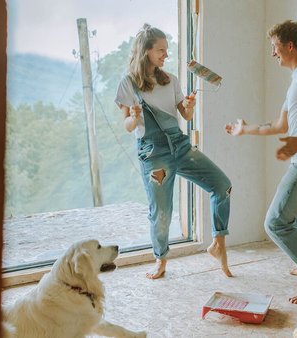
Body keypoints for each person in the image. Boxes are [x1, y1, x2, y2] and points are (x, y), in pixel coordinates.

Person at [225, 20, 297, 304]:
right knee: (294, 215)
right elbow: (280, 125)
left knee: (276, 223)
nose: (273, 53)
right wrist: (246, 128)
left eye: (275, 47)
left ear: (289, 46)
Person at [115, 24, 233, 279]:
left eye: (166, 50)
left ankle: (218, 244)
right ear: (146, 51)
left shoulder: (171, 80)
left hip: (180, 146)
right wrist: (134, 117)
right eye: (161, 50)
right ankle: (160, 259)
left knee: (222, 185)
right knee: (162, 212)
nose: (165, 55)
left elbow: (186, 116)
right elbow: (127, 125)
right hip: (154, 153)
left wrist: (189, 106)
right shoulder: (128, 84)